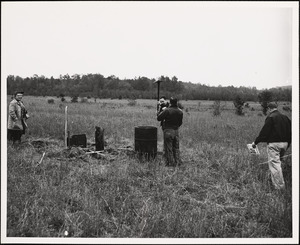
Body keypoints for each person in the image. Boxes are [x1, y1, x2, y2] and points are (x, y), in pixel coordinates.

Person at [252, 101, 291, 190]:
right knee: (278, 163)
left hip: (274, 145)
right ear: (276, 107)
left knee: (275, 165)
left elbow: (264, 133)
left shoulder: (271, 117)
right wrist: (288, 144)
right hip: (285, 144)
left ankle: (279, 188)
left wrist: (256, 142)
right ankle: (276, 181)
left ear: (269, 109)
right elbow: (291, 132)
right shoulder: (285, 117)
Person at [157, 97, 183, 167]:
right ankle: (177, 162)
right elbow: (180, 123)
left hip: (168, 130)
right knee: (176, 148)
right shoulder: (180, 111)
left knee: (168, 148)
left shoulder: (167, 110)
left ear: (170, 102)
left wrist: (159, 109)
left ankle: (170, 164)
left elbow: (159, 118)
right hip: (176, 131)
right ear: (176, 102)